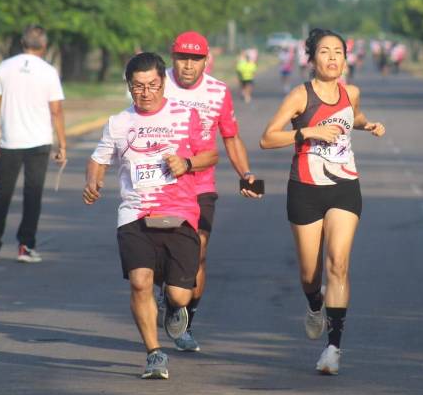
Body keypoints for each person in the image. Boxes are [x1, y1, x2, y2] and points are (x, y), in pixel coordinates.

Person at [83, 52, 218, 380]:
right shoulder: (119, 123)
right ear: (129, 87)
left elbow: (210, 154)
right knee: (140, 282)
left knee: (179, 293)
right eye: (138, 86)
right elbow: (99, 158)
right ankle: (154, 353)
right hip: (136, 213)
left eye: (152, 85)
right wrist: (93, 180)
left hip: (179, 213)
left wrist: (186, 164)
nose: (146, 92)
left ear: (163, 83)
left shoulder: (185, 116)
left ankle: (172, 304)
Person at [259, 28, 385, 375]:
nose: (332, 58)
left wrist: (367, 125)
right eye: (325, 52)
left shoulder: (352, 91)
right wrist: (308, 131)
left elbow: (352, 116)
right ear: (311, 58)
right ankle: (315, 304)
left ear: (346, 58)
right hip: (305, 188)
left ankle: (333, 348)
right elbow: (267, 138)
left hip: (345, 185)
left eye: (338, 52)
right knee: (309, 274)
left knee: (338, 264)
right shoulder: (300, 96)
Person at [163, 31, 263, 353]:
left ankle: (186, 319)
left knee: (198, 252)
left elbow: (231, 138)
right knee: (162, 252)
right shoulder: (157, 83)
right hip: (159, 183)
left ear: (207, 61)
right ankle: (167, 290)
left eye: (195, 59)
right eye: (182, 58)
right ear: (172, 57)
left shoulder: (218, 92)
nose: (188, 66)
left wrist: (246, 174)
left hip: (200, 183)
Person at [0, 25, 66, 263]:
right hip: (39, 141)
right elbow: (56, 111)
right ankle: (25, 246)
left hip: (10, 140)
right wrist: (62, 145)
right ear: (44, 46)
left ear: (22, 42)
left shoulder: (5, 67)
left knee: (2, 194)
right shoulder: (49, 71)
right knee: (33, 194)